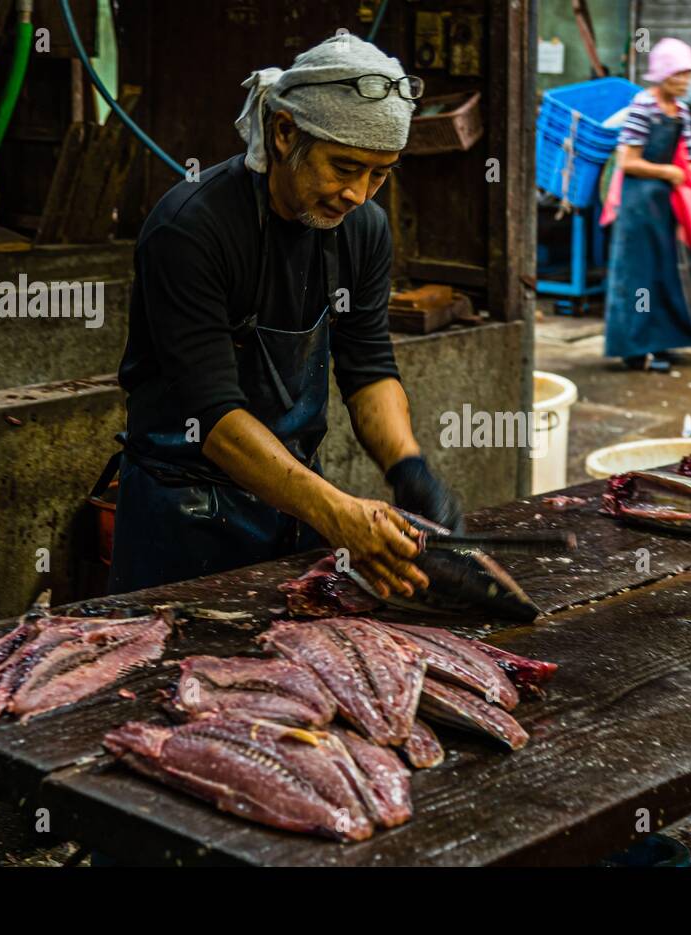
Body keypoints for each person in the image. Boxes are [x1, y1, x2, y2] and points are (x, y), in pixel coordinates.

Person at [108, 34, 462, 599]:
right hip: (180, 511)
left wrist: (409, 469)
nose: (357, 193)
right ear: (284, 133)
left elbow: (368, 365)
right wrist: (336, 511)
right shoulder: (192, 229)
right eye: (343, 167)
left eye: (379, 173)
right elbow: (215, 418)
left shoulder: (362, 229)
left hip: (290, 502)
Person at [603, 37, 691, 373]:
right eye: (678, 76)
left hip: (663, 205)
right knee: (638, 275)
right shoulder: (643, 107)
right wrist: (666, 171)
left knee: (665, 271)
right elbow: (627, 161)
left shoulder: (682, 112)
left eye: (688, 75)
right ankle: (633, 348)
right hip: (637, 203)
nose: (684, 82)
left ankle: (662, 344)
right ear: (661, 75)